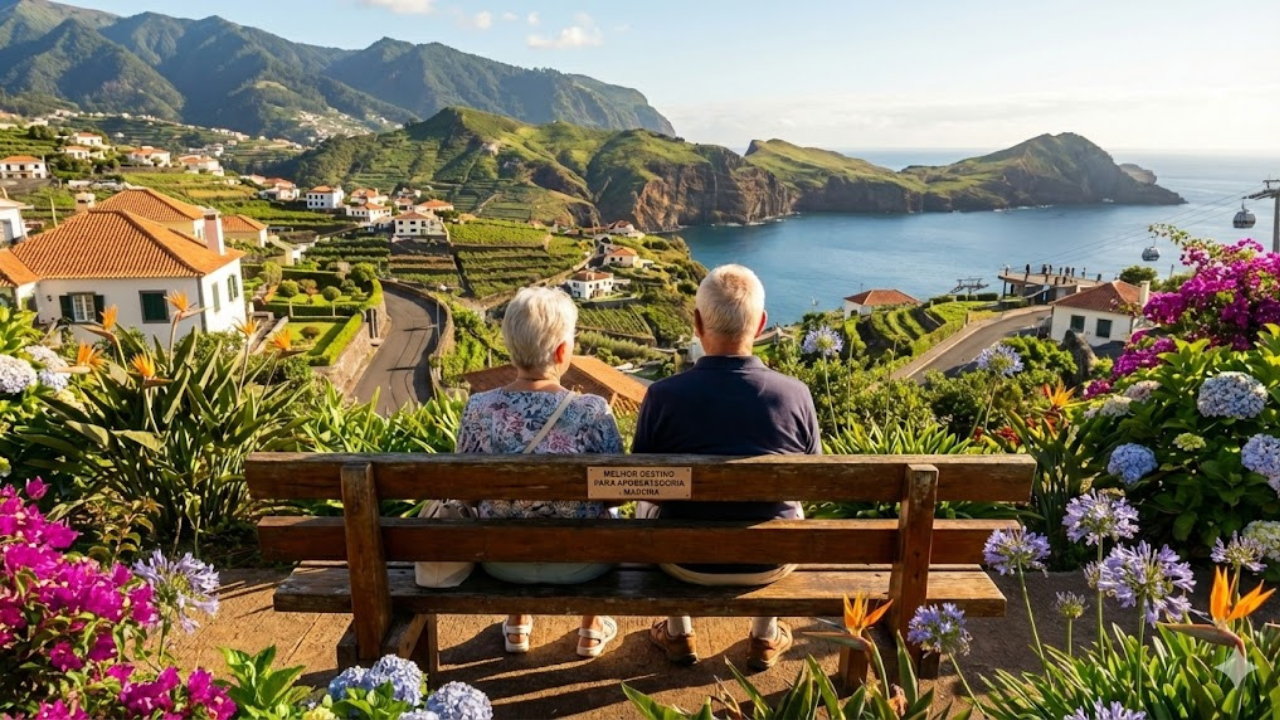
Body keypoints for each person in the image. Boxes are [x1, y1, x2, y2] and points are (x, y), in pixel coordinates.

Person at [633, 264, 821, 671]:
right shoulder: (796, 394)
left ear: (697, 323)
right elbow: (810, 481)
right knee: (792, 503)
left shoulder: (662, 396)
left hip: (683, 562)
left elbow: (641, 484)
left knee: (646, 502)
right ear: (762, 323)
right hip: (770, 561)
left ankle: (678, 632)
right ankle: (765, 637)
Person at [455, 287, 621, 659]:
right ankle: (591, 629)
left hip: (500, 562)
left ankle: (517, 624)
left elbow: (466, 494)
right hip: (582, 564)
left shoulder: (479, 408)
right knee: (610, 516)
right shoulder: (593, 411)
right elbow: (614, 495)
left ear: (510, 347)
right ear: (562, 352)